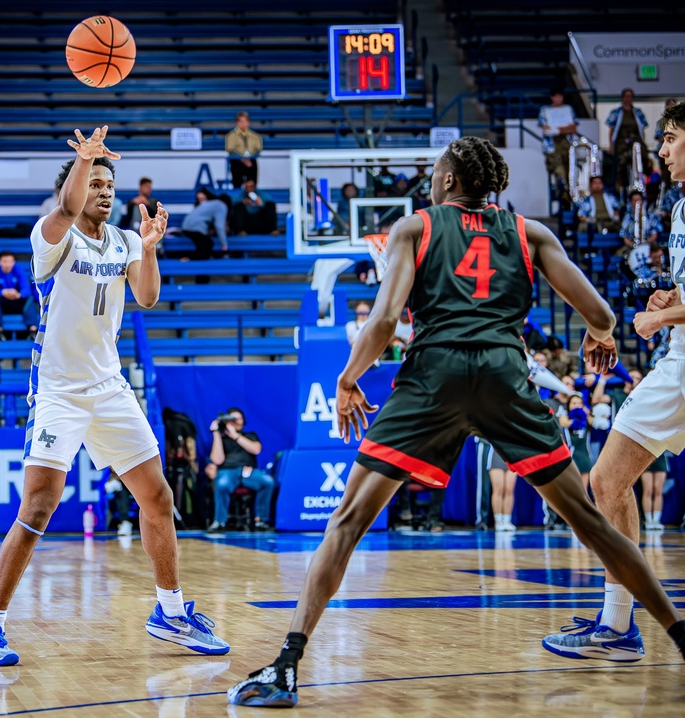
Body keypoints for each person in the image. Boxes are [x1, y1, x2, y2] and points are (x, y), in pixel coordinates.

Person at [228, 136, 685, 708]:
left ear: (446, 181)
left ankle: (286, 666)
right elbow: (600, 312)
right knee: (595, 525)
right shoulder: (530, 232)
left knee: (345, 525)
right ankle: (679, 638)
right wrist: (601, 334)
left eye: (435, 173)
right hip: (502, 376)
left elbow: (386, 318)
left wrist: (347, 380)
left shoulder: (415, 228)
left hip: (434, 376)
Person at [0, 126, 228, 667]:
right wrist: (84, 160)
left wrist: (150, 249)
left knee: (158, 498)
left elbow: (147, 298)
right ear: (77, 187)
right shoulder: (52, 236)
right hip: (59, 390)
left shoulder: (126, 240)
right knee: (38, 506)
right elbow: (65, 205)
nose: (105, 191)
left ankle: (171, 612)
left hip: (109, 387)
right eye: (96, 182)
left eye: (111, 184)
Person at [541, 100, 685, 662]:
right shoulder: (676, 209)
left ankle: (620, 626)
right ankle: (618, 623)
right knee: (609, 481)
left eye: (671, 137)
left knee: (605, 480)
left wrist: (657, 318)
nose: (663, 150)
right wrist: (672, 300)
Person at [205, 408, 274, 532]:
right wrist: (216, 434)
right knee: (222, 484)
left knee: (267, 481)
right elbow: (217, 460)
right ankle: (219, 522)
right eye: (232, 419)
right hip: (228, 471)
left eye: (238, 418)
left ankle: (261, 521)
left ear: (243, 421)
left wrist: (235, 436)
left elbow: (256, 449)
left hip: (248, 472)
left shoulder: (250, 435)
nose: (236, 421)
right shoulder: (222, 439)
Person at [538, 88, 579, 206]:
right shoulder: (544, 110)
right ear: (551, 97)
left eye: (560, 96)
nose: (558, 99)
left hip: (567, 145)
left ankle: (571, 201)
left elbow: (573, 128)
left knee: (571, 174)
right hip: (552, 147)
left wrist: (556, 129)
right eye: (556, 96)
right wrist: (564, 128)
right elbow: (545, 128)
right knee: (560, 175)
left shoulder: (568, 109)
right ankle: (563, 201)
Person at [0, 250, 39, 339]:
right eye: (5, 261)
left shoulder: (18, 269)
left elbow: (26, 289)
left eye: (10, 261)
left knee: (29, 298)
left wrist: (19, 294)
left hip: (16, 300)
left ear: (13, 262)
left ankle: (33, 329)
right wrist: (3, 292)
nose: (7, 264)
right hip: (1, 302)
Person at [606, 89, 648, 195]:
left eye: (630, 96)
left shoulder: (638, 112)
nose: (628, 99)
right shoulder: (616, 112)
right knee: (621, 165)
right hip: (621, 143)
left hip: (635, 143)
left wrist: (643, 144)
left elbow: (642, 130)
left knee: (639, 163)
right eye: (626, 96)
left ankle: (639, 187)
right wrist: (611, 146)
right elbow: (611, 130)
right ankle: (619, 189)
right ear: (622, 97)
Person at [179, 187, 228, 259]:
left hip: (187, 227)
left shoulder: (209, 204)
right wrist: (224, 245)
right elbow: (219, 226)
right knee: (206, 249)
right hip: (195, 228)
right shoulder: (221, 206)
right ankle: (187, 260)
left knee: (208, 244)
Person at [225, 111, 262, 188]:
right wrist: (243, 159)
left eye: (245, 121)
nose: (243, 123)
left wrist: (249, 158)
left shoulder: (255, 136)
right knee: (237, 181)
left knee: (252, 182)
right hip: (237, 161)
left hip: (251, 160)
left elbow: (258, 149)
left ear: (248, 122)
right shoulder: (231, 135)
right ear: (237, 122)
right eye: (241, 121)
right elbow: (230, 150)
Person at [640, 453, 668, 531]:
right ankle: (648, 520)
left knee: (658, 491)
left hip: (660, 457)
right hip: (645, 457)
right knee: (648, 491)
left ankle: (656, 520)